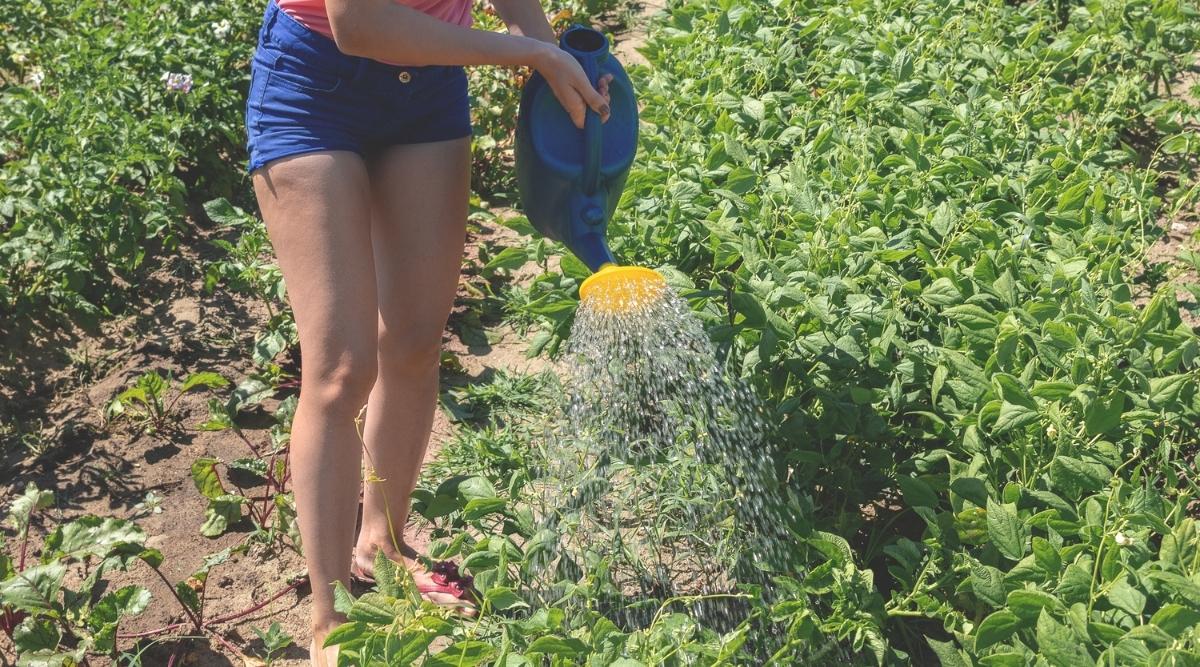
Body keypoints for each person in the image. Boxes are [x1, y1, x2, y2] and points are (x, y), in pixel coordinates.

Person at [243, 0, 611, 663]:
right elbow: (360, 24)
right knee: (340, 369)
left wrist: (556, 60)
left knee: (413, 340)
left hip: (430, 87)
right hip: (316, 79)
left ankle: (381, 542)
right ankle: (332, 620)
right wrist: (530, 56)